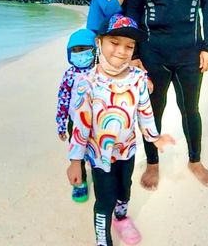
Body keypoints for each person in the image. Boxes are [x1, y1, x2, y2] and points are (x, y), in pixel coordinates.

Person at [124, 0, 208, 190]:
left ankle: (195, 160)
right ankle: (152, 163)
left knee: (191, 108)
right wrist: (135, 53)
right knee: (152, 109)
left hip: (190, 52)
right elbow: (133, 10)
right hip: (154, 54)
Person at [67, 14, 175, 246]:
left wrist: (154, 137)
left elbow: (145, 111)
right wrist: (75, 160)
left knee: (125, 189)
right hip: (99, 156)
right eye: (114, 43)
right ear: (100, 42)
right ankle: (103, 239)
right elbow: (81, 126)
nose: (121, 50)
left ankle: (122, 217)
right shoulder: (87, 82)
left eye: (129, 46)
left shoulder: (137, 78)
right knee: (104, 199)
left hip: (127, 151)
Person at [56, 28, 97, 202]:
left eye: (84, 49)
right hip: (75, 121)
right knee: (76, 153)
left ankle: (100, 177)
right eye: (75, 50)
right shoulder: (69, 75)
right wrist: (61, 123)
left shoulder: (100, 72)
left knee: (96, 151)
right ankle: (80, 183)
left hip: (96, 122)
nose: (79, 54)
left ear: (94, 50)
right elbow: (63, 99)